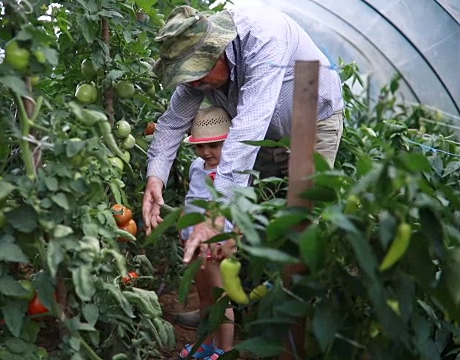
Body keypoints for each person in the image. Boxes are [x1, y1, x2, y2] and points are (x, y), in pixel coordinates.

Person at [143, 3, 345, 327]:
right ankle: (228, 312)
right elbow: (172, 123)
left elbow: (249, 124)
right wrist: (156, 179)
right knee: (248, 224)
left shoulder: (264, 37)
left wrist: (215, 211)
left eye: (196, 74)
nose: (194, 85)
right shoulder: (201, 76)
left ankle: (294, 325)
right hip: (264, 138)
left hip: (313, 126)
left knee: (303, 225)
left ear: (217, 50)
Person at [178, 106, 235, 360]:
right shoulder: (196, 166)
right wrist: (183, 225)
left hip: (216, 242)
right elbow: (192, 197)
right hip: (193, 240)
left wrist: (234, 237)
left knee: (220, 296)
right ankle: (206, 343)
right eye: (200, 146)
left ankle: (226, 350)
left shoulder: (234, 169)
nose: (206, 152)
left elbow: (239, 208)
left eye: (214, 145)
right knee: (203, 295)